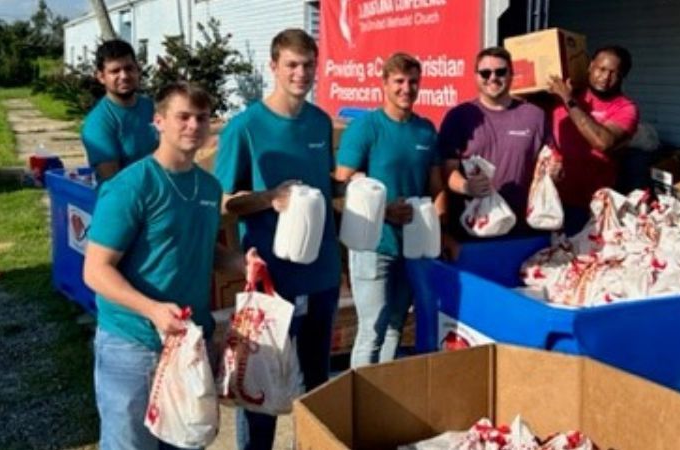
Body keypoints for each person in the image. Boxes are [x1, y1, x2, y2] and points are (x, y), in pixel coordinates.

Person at [83, 82, 238, 450]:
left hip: (189, 343)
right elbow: (96, 270)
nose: (193, 126)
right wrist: (152, 309)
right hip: (133, 344)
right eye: (182, 117)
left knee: (185, 441)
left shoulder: (208, 187)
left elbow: (197, 248)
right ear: (159, 121)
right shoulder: (132, 186)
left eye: (202, 118)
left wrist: (240, 262)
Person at [213, 28, 340, 450]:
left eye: (308, 65)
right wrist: (271, 198)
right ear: (273, 67)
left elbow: (329, 190)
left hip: (320, 275)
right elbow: (225, 203)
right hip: (271, 279)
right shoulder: (245, 127)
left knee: (317, 383)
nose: (301, 73)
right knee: (261, 387)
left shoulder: (321, 122)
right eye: (291, 65)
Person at [335, 53, 444, 368]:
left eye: (413, 82)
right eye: (398, 81)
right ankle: (358, 407)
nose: (406, 89)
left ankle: (382, 398)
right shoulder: (367, 127)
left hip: (413, 246)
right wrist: (384, 210)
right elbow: (343, 180)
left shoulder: (426, 130)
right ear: (384, 84)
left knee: (396, 325)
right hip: (373, 243)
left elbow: (436, 186)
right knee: (372, 328)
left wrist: (438, 231)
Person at [437, 46, 549, 239]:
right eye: (485, 73)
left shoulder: (535, 116)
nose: (493, 78)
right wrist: (466, 186)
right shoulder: (459, 116)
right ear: (476, 76)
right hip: (473, 227)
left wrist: (553, 169)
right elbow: (446, 170)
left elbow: (546, 165)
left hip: (520, 228)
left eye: (500, 72)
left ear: (512, 74)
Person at [545, 45, 639, 232]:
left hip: (591, 207)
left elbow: (602, 142)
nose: (605, 77)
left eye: (614, 73)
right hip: (550, 200)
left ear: (623, 77)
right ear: (590, 66)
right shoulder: (566, 93)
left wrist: (568, 100)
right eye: (601, 69)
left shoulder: (626, 108)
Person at [81, 39, 160, 182]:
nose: (124, 76)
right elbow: (115, 182)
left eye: (129, 68)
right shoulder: (98, 123)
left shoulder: (150, 107)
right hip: (127, 199)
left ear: (137, 70)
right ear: (101, 77)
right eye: (115, 71)